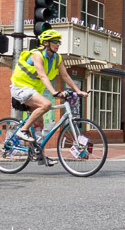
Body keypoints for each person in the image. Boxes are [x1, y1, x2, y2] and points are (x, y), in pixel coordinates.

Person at [10, 29, 88, 166]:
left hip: (33, 90)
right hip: (20, 87)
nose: (58, 44)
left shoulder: (57, 58)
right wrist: (53, 91)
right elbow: (42, 75)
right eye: (55, 42)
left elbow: (65, 76)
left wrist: (78, 90)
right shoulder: (37, 55)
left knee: (40, 124)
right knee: (46, 105)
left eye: (59, 42)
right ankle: (22, 130)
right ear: (46, 43)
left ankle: (40, 155)